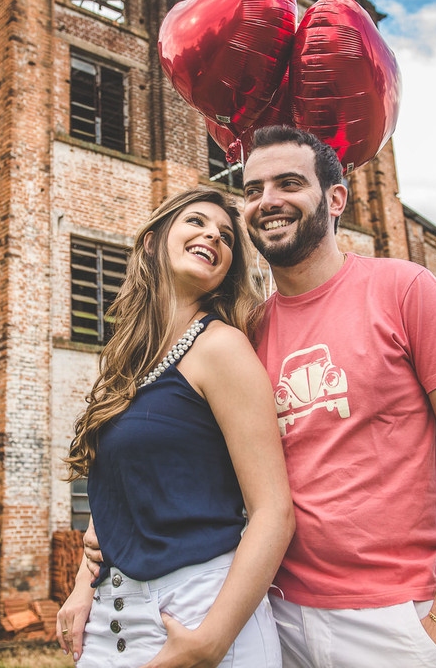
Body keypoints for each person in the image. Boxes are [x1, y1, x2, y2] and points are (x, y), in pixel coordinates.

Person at [239, 124, 436, 667]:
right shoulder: (248, 331)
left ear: (335, 198)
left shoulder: (404, 289)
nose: (267, 202)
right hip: (275, 616)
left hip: (395, 616)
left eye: (289, 183)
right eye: (252, 189)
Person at [55, 187, 294, 668]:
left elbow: (274, 512)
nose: (213, 235)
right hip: (112, 611)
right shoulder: (126, 365)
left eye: (226, 236)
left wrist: (211, 642)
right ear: (151, 243)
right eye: (196, 222)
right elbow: (119, 493)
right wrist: (83, 585)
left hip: (200, 607)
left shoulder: (221, 348)